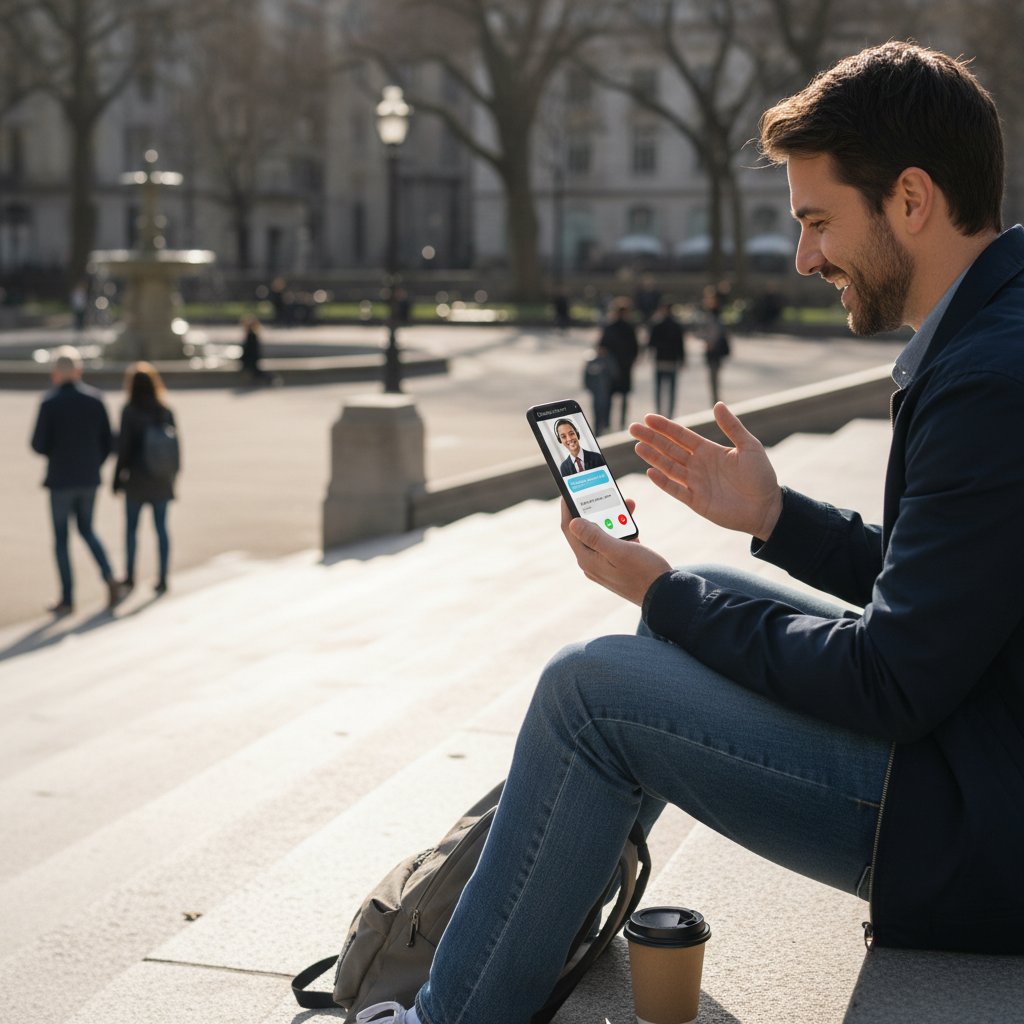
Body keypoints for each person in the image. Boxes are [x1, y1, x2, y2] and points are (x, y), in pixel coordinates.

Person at [356, 42, 1024, 1024]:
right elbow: (955, 587)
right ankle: (545, 913)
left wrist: (657, 588)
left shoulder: (985, 378)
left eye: (816, 220)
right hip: (986, 756)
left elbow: (892, 676)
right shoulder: (995, 328)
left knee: (591, 686)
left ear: (911, 201)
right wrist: (772, 516)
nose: (804, 258)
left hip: (977, 828)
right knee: (713, 597)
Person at [30, 345, 120, 615]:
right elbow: (109, 442)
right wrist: (94, 462)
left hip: (60, 478)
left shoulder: (50, 402)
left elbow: (37, 444)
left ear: (56, 373)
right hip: (89, 477)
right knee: (87, 529)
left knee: (61, 539)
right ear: (78, 371)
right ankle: (109, 575)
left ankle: (67, 598)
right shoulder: (95, 399)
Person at [112, 362, 179, 596]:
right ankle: (162, 577)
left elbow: (123, 450)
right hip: (161, 478)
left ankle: (130, 577)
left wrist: (116, 480)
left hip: (137, 479)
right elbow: (176, 448)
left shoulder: (130, 411)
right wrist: (173, 478)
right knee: (161, 529)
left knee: (131, 531)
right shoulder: (165, 409)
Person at [598, 300, 639, 430]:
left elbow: (601, 347)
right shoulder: (629, 328)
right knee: (624, 397)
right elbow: (635, 348)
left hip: (611, 368)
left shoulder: (609, 327)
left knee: (609, 397)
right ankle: (622, 422)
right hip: (625, 367)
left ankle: (607, 423)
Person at [646, 301, 686, 417]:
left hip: (660, 360)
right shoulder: (676, 325)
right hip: (672, 361)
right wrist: (682, 359)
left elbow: (651, 343)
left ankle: (659, 412)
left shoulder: (657, 325)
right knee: (671, 391)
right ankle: (670, 414)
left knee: (659, 390)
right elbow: (680, 345)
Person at [701, 283, 730, 405]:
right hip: (713, 351)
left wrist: (709, 341)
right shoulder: (710, 313)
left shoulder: (715, 314)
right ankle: (715, 402)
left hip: (715, 351)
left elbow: (715, 332)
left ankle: (716, 404)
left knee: (714, 379)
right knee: (713, 379)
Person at [581, 343, 614, 434]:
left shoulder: (608, 360)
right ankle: (597, 429)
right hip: (596, 391)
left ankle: (606, 426)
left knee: (606, 408)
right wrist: (588, 387)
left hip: (606, 391)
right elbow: (586, 376)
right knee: (596, 410)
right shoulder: (591, 361)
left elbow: (614, 374)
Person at [239, 314, 278, 385]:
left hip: (250, 361)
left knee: (257, 373)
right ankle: (271, 378)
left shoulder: (251, 335)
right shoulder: (254, 334)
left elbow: (248, 350)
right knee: (257, 372)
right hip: (253, 360)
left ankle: (272, 378)